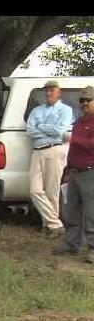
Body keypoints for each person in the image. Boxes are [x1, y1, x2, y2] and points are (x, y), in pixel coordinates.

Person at [26, 80, 73, 238]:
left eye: (52, 90)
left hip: (55, 149)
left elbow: (60, 130)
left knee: (52, 190)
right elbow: (30, 131)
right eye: (46, 90)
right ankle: (56, 224)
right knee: (35, 190)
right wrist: (49, 129)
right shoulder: (37, 111)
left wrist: (42, 127)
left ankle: (49, 226)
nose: (48, 93)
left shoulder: (66, 110)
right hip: (37, 151)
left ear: (59, 92)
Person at [52, 86, 94, 263]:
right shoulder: (79, 121)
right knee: (71, 210)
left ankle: (92, 249)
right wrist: (68, 169)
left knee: (91, 213)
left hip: (90, 172)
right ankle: (72, 244)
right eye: (82, 100)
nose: (84, 104)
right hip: (75, 172)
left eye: (88, 100)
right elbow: (75, 149)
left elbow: (91, 144)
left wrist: (72, 139)